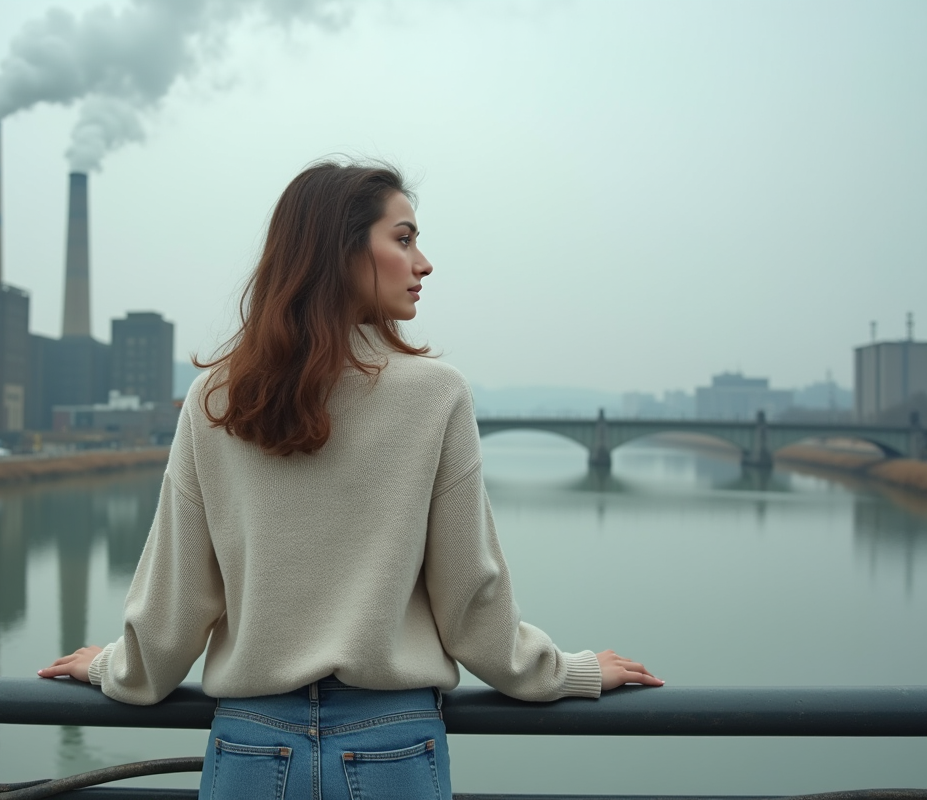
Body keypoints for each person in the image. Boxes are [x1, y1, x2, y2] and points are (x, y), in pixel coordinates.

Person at [40, 161, 662, 799]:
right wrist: (569, 674)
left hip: (251, 744)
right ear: (341, 251)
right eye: (403, 238)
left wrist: (114, 668)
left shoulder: (215, 398)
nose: (423, 263)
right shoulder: (436, 394)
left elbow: (176, 601)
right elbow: (471, 601)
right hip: (392, 741)